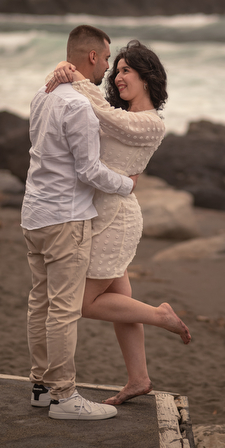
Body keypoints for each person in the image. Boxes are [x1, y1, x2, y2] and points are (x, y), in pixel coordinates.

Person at [45, 39, 191, 406]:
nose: (118, 76)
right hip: (102, 215)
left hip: (116, 219)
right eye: (117, 69)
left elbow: (106, 118)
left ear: (147, 76)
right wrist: (63, 73)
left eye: (127, 70)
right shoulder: (112, 109)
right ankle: (139, 379)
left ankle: (160, 315)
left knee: (84, 303)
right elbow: (88, 109)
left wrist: (76, 77)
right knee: (121, 304)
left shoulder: (150, 123)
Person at [21, 24, 138, 421]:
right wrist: (126, 184)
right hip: (66, 218)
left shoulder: (43, 94)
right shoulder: (78, 106)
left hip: (34, 214)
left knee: (40, 302)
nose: (108, 66)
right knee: (64, 310)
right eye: (107, 58)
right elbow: (89, 170)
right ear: (92, 56)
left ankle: (41, 386)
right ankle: (65, 397)